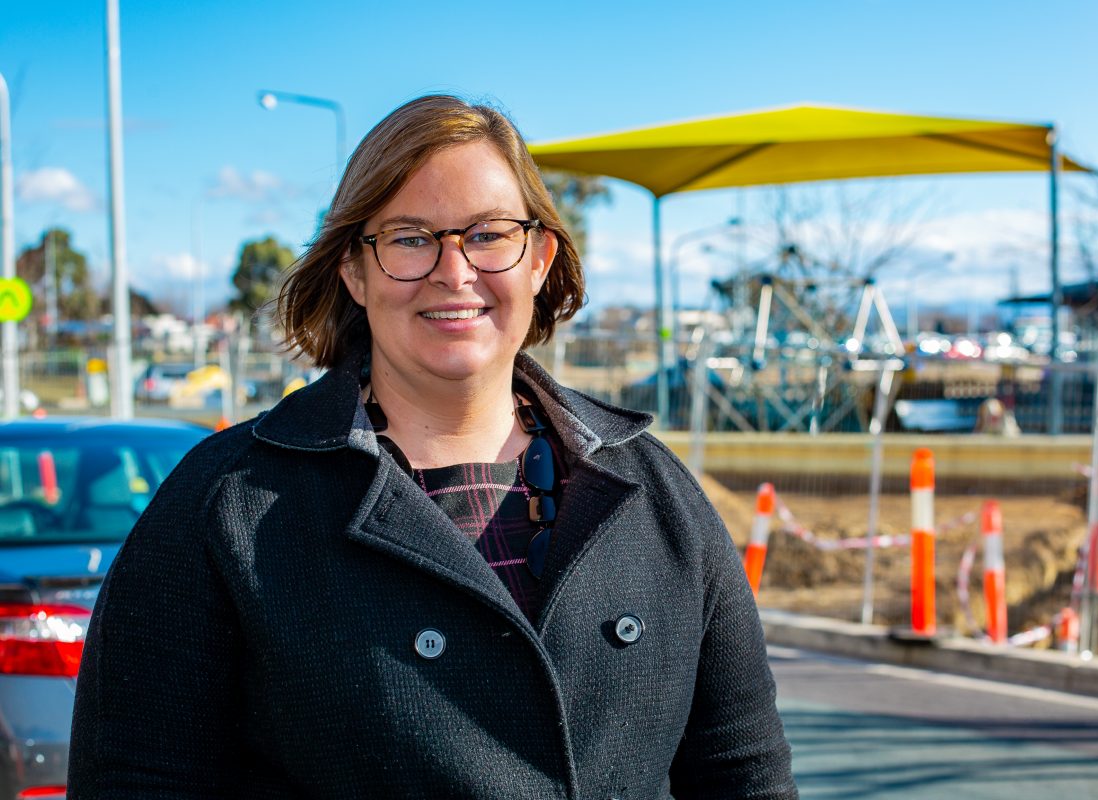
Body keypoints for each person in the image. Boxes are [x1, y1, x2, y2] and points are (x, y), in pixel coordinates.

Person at [68, 94, 797, 799]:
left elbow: (745, 776)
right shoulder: (226, 507)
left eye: (488, 235)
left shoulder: (654, 494)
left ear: (539, 258)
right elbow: (135, 779)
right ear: (353, 270)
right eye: (410, 238)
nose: (454, 273)